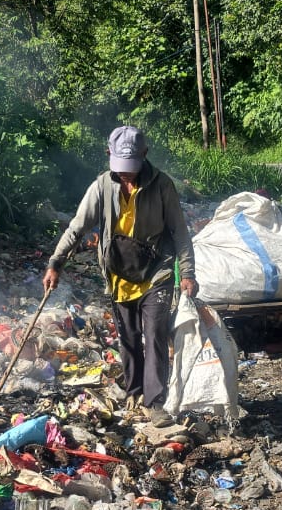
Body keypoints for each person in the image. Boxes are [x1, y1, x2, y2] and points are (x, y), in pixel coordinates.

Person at [43, 125, 198, 418]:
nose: (126, 174)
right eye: (121, 167)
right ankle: (134, 391)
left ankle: (155, 402)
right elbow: (78, 226)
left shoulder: (162, 185)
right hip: (119, 273)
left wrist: (187, 272)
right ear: (108, 155)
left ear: (145, 155)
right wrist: (56, 263)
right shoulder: (102, 186)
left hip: (156, 271)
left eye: (132, 167)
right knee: (128, 337)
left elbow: (180, 232)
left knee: (153, 333)